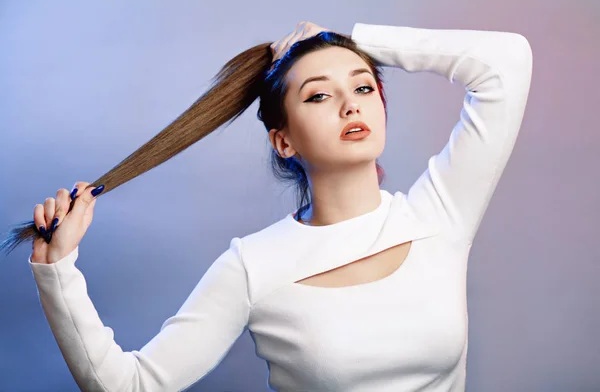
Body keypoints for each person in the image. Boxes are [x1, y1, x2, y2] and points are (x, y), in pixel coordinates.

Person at [23, 21, 532, 391]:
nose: (351, 104)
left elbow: (505, 63)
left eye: (362, 86)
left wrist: (352, 38)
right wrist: (57, 270)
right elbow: (128, 386)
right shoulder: (253, 266)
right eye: (318, 97)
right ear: (283, 141)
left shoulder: (438, 214)